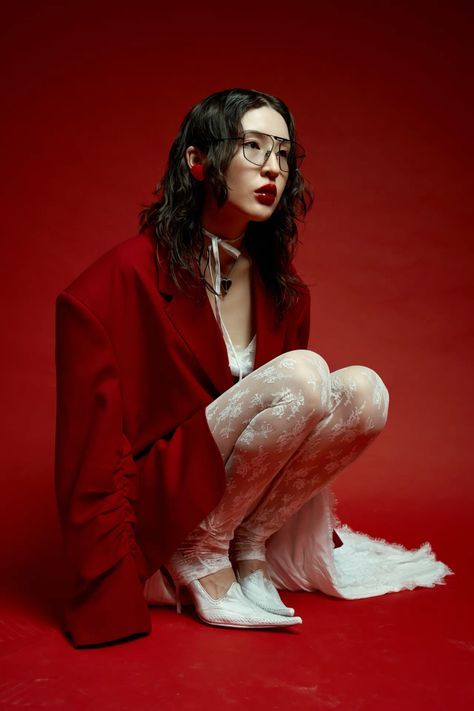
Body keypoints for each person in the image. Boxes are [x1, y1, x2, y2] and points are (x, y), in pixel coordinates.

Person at [54, 88, 453, 648]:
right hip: (163, 511)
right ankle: (198, 554)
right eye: (253, 148)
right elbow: (88, 459)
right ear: (197, 162)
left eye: (284, 154)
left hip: (239, 512)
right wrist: (107, 587)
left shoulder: (282, 289)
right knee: (303, 373)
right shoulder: (109, 286)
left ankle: (247, 548)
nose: (273, 168)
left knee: (365, 391)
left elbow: (288, 435)